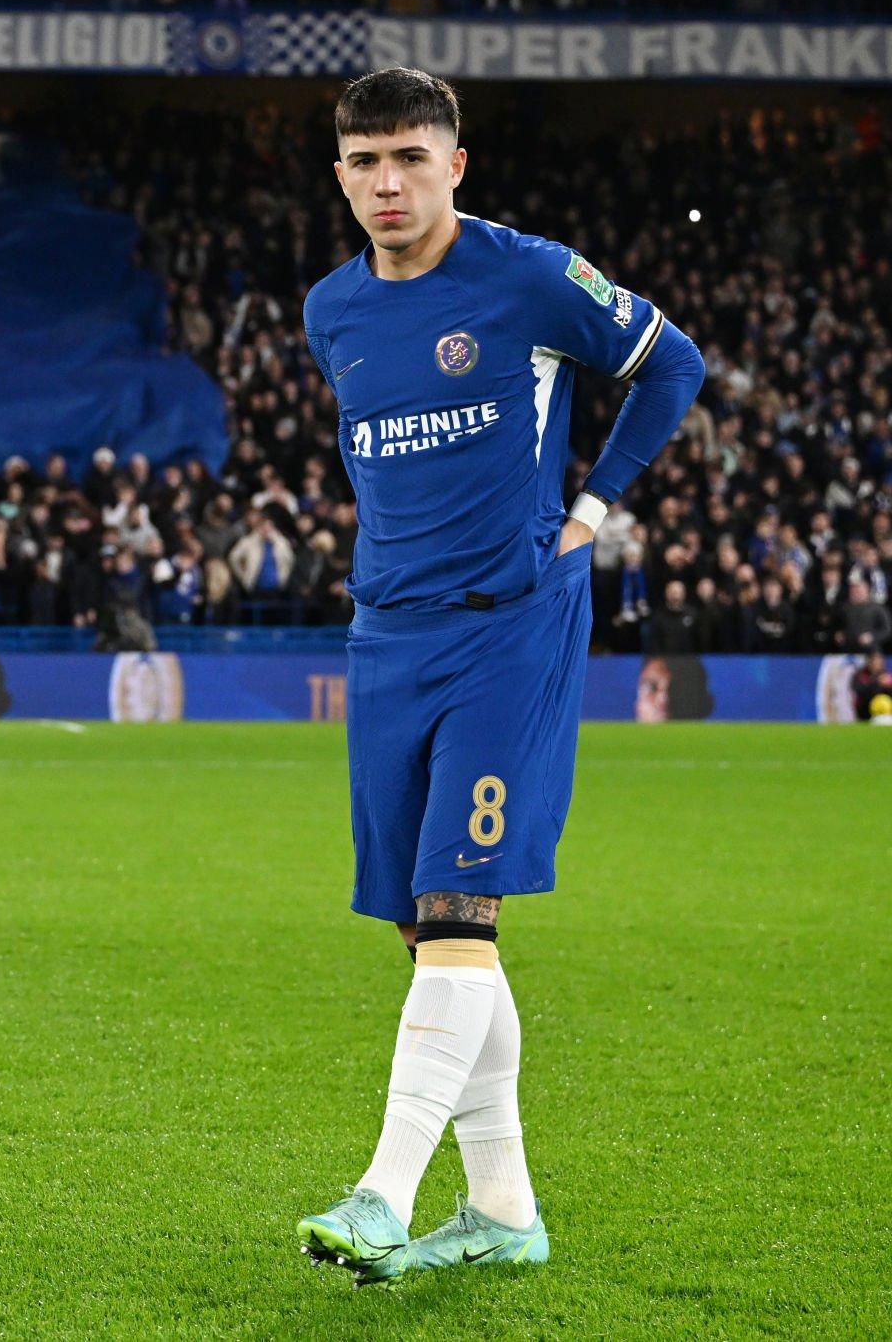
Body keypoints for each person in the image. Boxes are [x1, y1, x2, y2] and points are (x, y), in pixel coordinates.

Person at [294, 68, 703, 1283]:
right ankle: (504, 1213)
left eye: (409, 158)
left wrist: (587, 513)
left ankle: (381, 1192)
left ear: (453, 164)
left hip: (509, 626)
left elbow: (667, 362)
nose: (386, 183)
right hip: (386, 636)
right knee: (428, 934)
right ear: (340, 177)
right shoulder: (331, 311)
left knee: (463, 911)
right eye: (364, 163)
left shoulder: (527, 277)